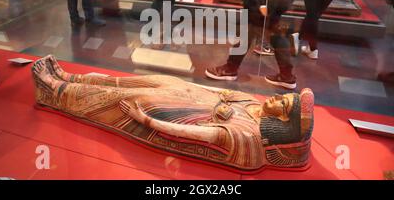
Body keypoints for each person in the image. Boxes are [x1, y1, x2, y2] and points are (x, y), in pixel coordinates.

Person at [32, 55, 314, 171]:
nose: (276, 97)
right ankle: (74, 78)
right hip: (191, 97)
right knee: (155, 80)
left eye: (282, 104)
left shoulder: (250, 138)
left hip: (179, 114)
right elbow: (221, 94)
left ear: (281, 122)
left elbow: (191, 133)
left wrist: (143, 119)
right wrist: (182, 86)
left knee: (133, 97)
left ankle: (55, 91)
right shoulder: (252, 104)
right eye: (283, 95)